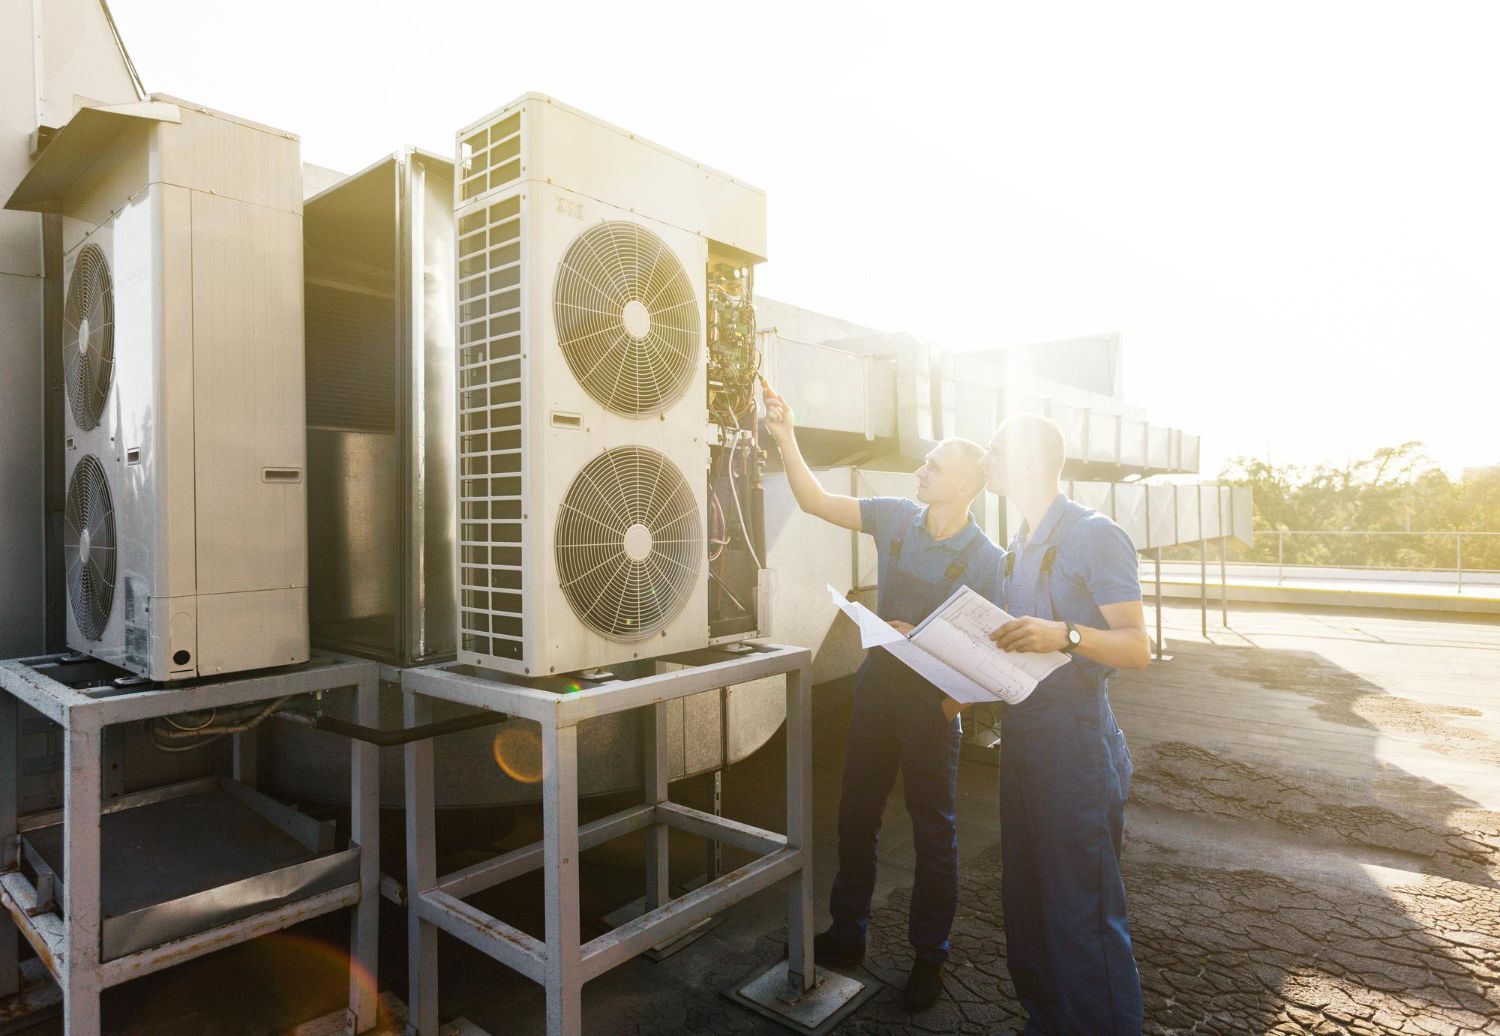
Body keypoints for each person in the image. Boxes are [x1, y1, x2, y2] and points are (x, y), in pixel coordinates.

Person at [762, 379, 1003, 1012]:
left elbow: (991, 652)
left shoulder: (988, 559)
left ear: (965, 485)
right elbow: (814, 501)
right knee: (854, 814)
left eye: (935, 466)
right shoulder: (895, 516)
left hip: (932, 708)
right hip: (876, 693)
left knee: (934, 834)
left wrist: (953, 700)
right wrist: (786, 435)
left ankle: (930, 957)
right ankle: (848, 932)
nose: (921, 470)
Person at [980, 413, 1151, 1034]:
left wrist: (1068, 634)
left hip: (1076, 747)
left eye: (995, 449)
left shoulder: (1093, 536)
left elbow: (1137, 648)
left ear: (1027, 460)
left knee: (1081, 913)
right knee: (1027, 904)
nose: (986, 459)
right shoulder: (1017, 547)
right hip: (1023, 740)